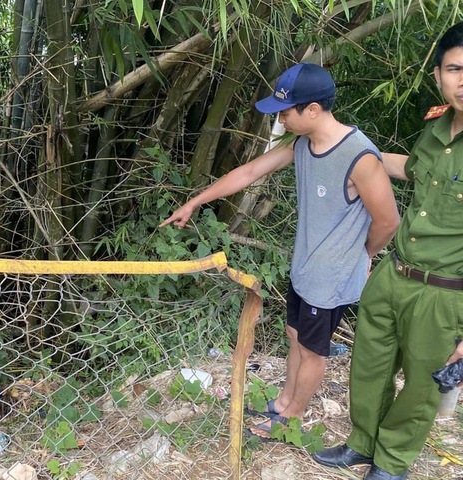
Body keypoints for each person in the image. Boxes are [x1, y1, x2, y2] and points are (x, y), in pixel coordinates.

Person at [160, 63, 400, 440]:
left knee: (312, 351)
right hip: (304, 266)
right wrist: (195, 202)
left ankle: (291, 418)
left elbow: (388, 221)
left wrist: (361, 256)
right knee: (294, 335)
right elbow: (250, 172)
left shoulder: (360, 156)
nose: (281, 119)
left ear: (313, 110)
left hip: (331, 275)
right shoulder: (303, 144)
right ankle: (283, 402)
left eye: (285, 112)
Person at [313, 23, 463, 480]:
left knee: (420, 389)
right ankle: (362, 443)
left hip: (445, 294)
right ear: (438, 75)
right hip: (393, 274)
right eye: (455, 68)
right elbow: (409, 170)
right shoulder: (436, 130)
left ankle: (391, 462)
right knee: (368, 368)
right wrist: (351, 148)